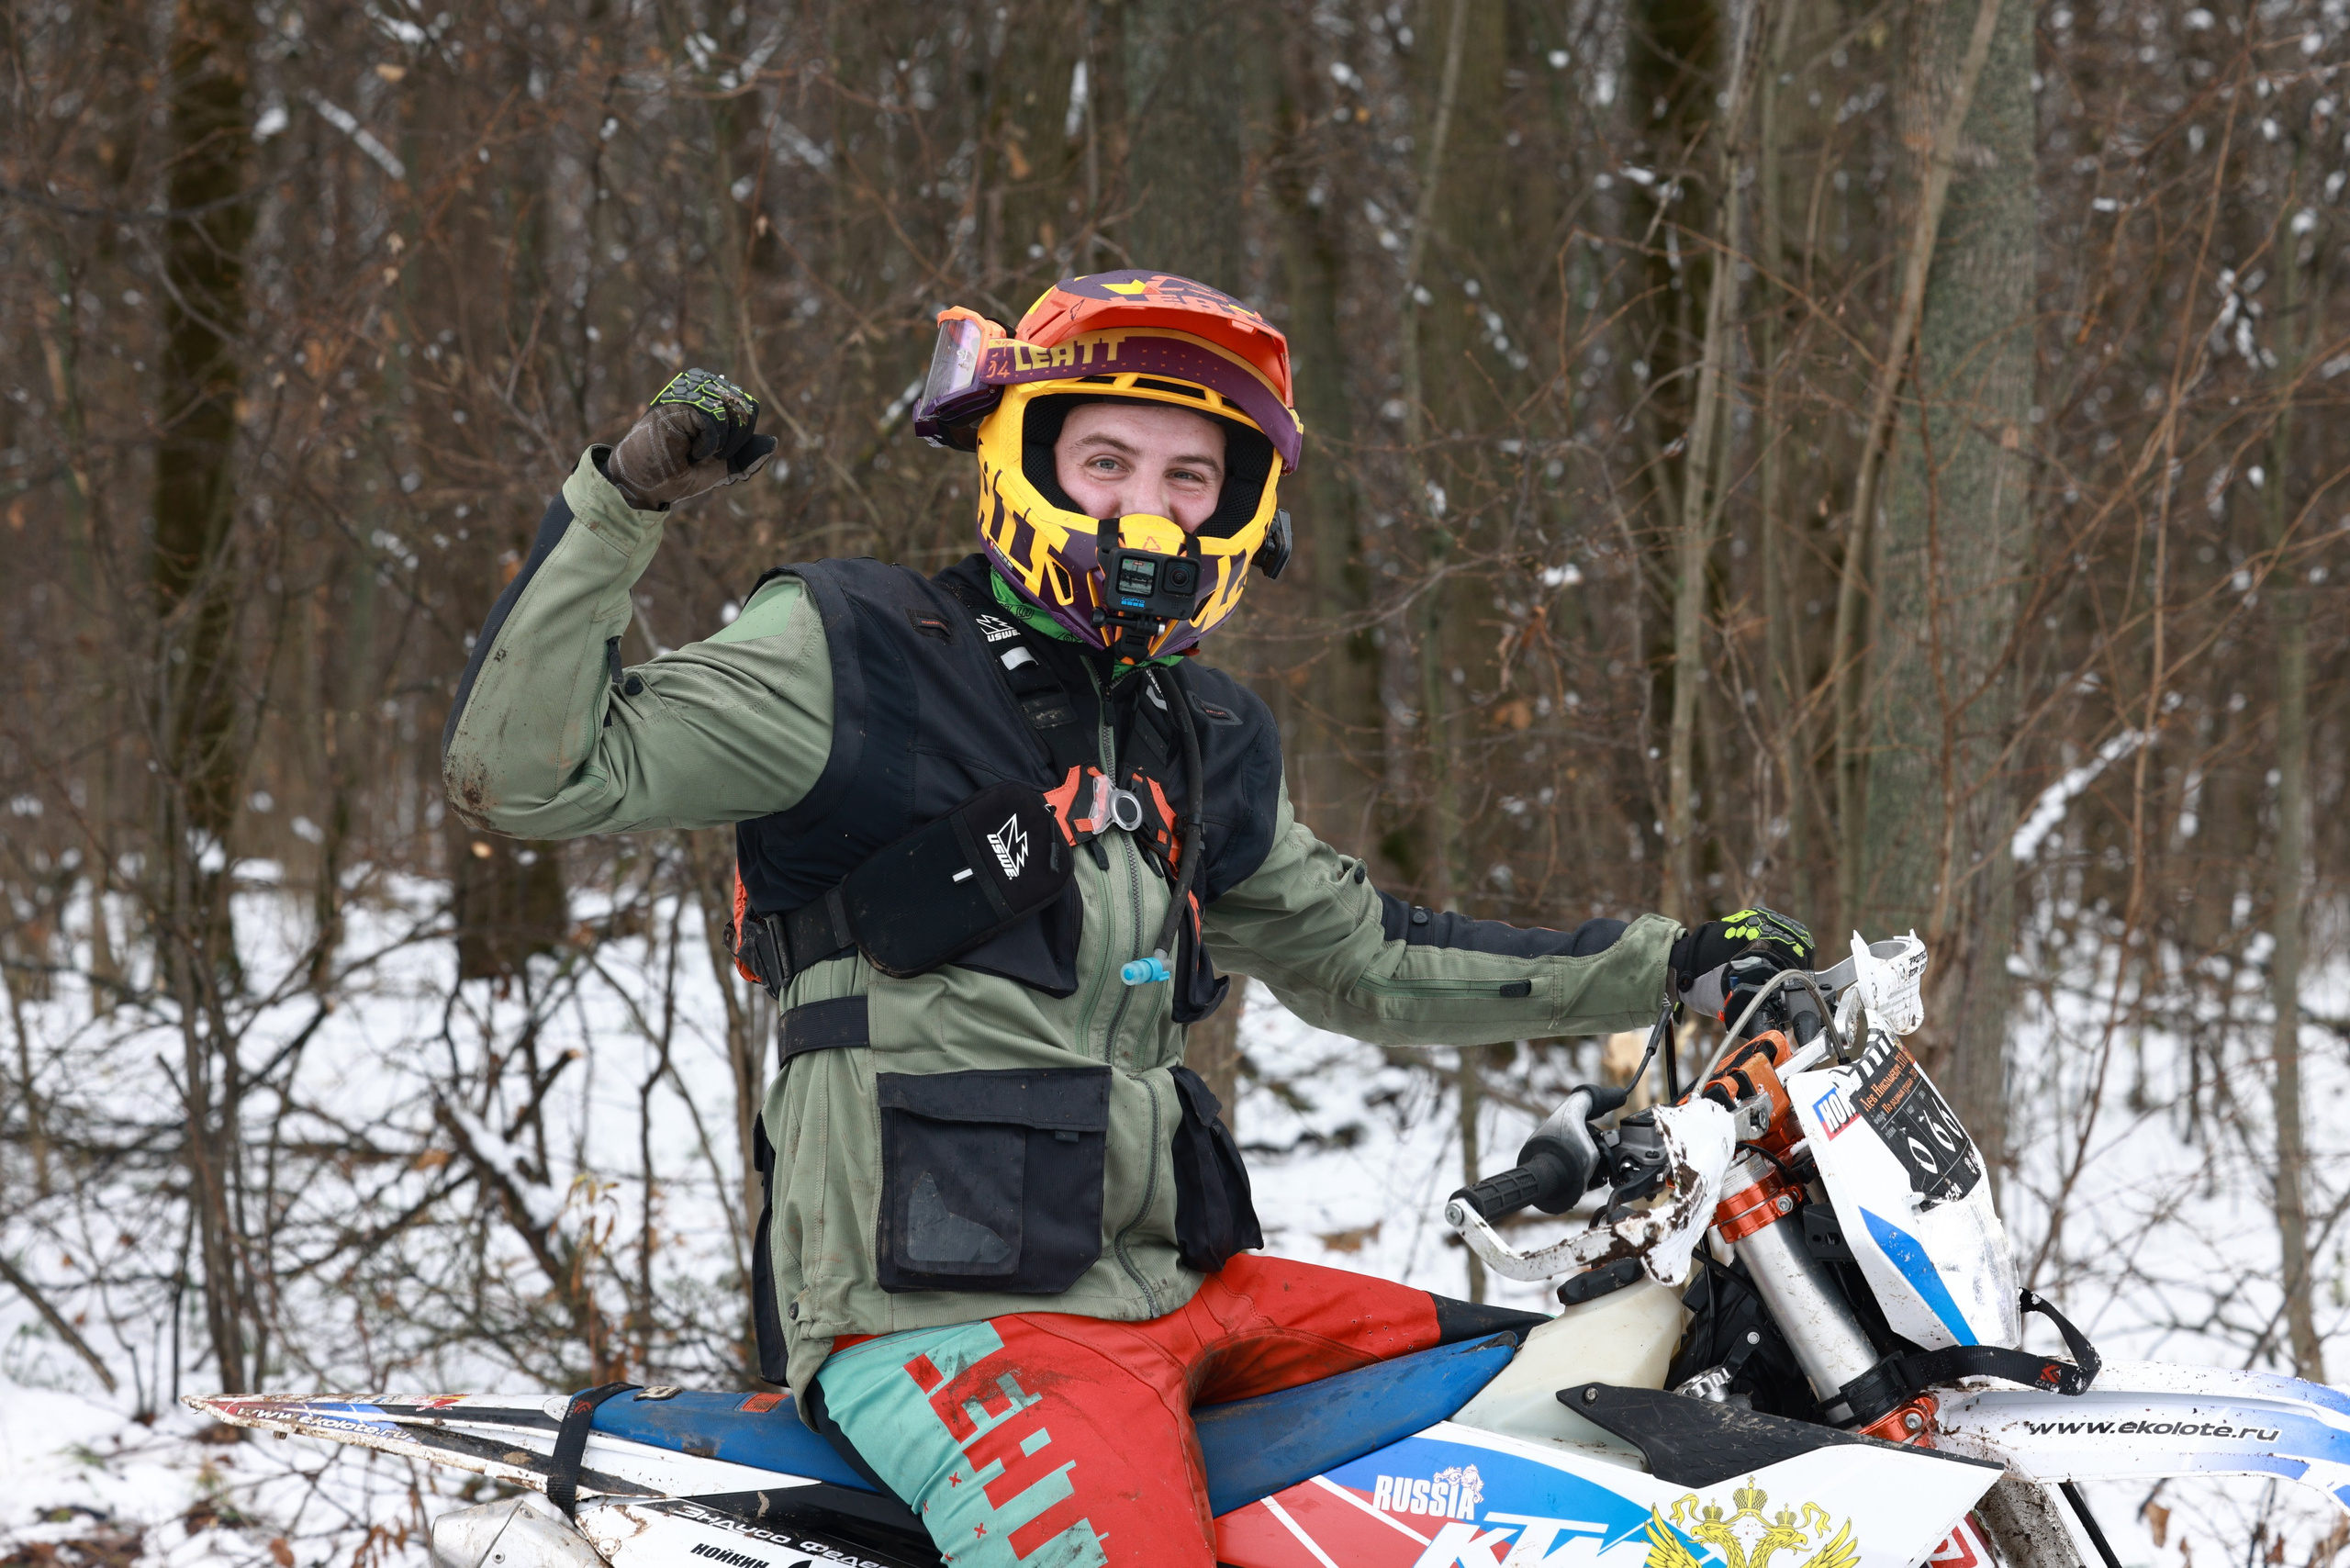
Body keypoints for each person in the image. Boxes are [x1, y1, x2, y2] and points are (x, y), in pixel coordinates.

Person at [441, 270, 1813, 1568]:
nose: (1147, 510)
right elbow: (528, 775)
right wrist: (622, 502)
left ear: (1239, 511)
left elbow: (1367, 959)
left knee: (1568, 1395)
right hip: (950, 1318)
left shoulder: (1198, 729)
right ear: (1020, 461)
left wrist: (1678, 967)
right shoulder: (858, 648)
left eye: (1189, 476)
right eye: (1106, 462)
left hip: (1181, 1291)